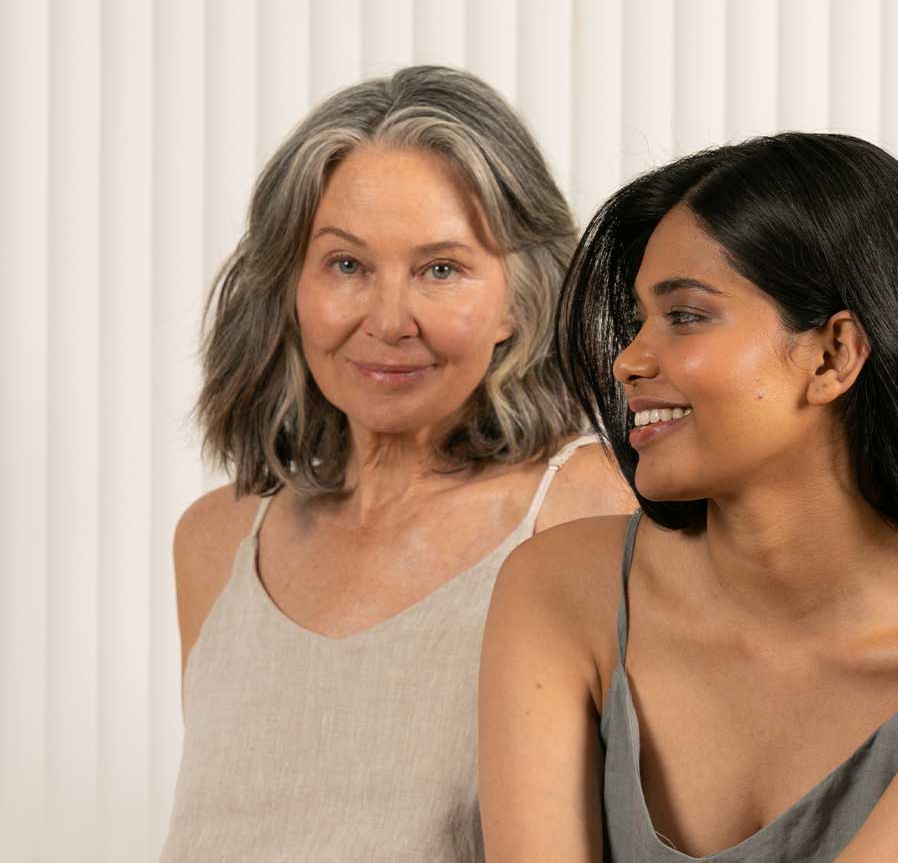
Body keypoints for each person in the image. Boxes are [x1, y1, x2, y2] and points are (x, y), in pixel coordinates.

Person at [479, 133, 898, 862]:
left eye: (685, 315)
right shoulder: (564, 591)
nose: (629, 360)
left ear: (832, 355)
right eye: (636, 321)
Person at [161, 65, 634, 863]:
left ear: (521, 298)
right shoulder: (218, 539)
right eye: (346, 265)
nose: (387, 320)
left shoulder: (588, 509)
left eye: (439, 269)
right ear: (291, 288)